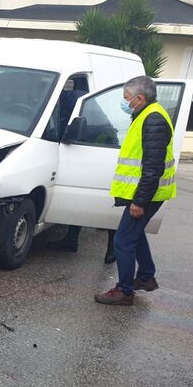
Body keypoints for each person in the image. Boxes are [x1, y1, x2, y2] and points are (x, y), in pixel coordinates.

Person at [95, 75, 176, 306]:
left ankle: (125, 291)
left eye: (126, 98)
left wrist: (139, 201)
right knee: (135, 234)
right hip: (147, 193)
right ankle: (146, 277)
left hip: (147, 194)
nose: (124, 102)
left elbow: (153, 166)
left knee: (122, 240)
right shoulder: (147, 114)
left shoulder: (153, 120)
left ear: (139, 98)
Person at [47, 79, 117, 265]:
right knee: (79, 198)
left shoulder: (71, 100)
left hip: (101, 148)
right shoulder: (68, 98)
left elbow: (67, 127)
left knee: (109, 202)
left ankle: (113, 249)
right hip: (86, 147)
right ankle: (71, 239)